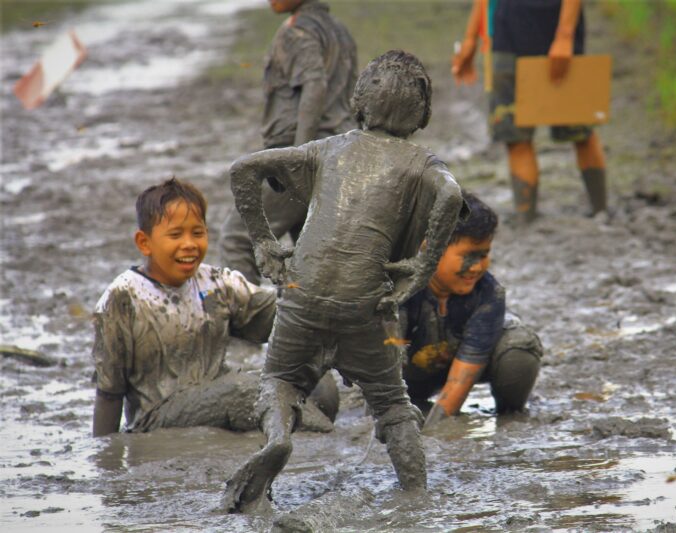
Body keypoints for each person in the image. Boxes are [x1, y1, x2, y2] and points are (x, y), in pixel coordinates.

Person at [221, 50, 467, 512]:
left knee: (278, 379)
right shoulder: (421, 163)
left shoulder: (327, 148)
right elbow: (452, 195)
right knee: (393, 406)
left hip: (302, 293)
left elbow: (243, 170)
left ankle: (277, 440)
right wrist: (423, 266)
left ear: (359, 102)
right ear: (423, 114)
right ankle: (416, 500)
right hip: (363, 303)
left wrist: (264, 243)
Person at [91, 178, 339, 437]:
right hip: (157, 416)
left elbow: (279, 315)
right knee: (247, 390)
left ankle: (305, 433)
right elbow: (108, 392)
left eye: (197, 233)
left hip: (218, 397)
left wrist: (316, 297)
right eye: (175, 235)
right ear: (144, 243)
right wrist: (105, 454)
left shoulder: (216, 283)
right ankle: (327, 439)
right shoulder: (122, 299)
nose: (189, 244)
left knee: (315, 378)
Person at [219, 0, 358, 284]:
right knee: (309, 260)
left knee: (237, 240)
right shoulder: (341, 32)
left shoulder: (297, 32)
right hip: (337, 156)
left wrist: (295, 159)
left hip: (301, 156)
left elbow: (315, 84)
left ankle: (247, 325)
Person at [452, 0, 608, 223]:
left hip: (557, 28)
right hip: (508, 32)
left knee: (579, 126)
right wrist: (470, 37)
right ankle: (526, 218)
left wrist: (564, 36)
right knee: (514, 134)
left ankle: (601, 212)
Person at [401, 191, 543, 429]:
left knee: (519, 346)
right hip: (410, 378)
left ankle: (510, 417)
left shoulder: (489, 294)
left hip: (462, 367)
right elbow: (383, 368)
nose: (477, 267)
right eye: (468, 256)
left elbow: (462, 377)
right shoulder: (402, 290)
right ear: (430, 249)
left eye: (484, 255)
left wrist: (439, 428)